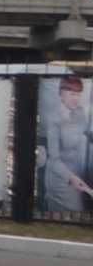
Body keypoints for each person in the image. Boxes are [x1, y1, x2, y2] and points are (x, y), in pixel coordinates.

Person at [42, 75, 93, 214]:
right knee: (70, 215)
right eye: (72, 94)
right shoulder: (54, 119)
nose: (76, 98)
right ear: (63, 93)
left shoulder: (80, 112)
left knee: (78, 214)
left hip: (74, 171)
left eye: (78, 94)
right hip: (59, 175)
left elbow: (87, 131)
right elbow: (54, 159)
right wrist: (71, 178)